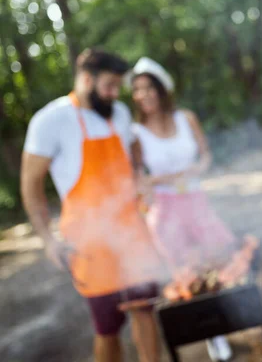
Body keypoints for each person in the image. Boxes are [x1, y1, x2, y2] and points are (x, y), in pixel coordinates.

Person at [20, 48, 164, 362]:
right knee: (107, 326)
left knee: (145, 309)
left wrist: (140, 175)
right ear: (87, 79)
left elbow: (134, 147)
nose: (116, 93)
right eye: (110, 85)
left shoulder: (121, 113)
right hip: (90, 241)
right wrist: (46, 238)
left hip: (132, 233)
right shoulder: (51, 120)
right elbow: (30, 185)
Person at [129, 57, 235, 362]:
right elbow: (139, 177)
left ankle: (219, 332)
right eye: (137, 90)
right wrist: (154, 183)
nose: (143, 95)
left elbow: (205, 157)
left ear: (161, 90)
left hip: (196, 200)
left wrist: (192, 171)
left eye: (148, 88)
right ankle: (205, 333)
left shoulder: (186, 118)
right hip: (165, 209)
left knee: (213, 264)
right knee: (186, 272)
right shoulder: (136, 132)